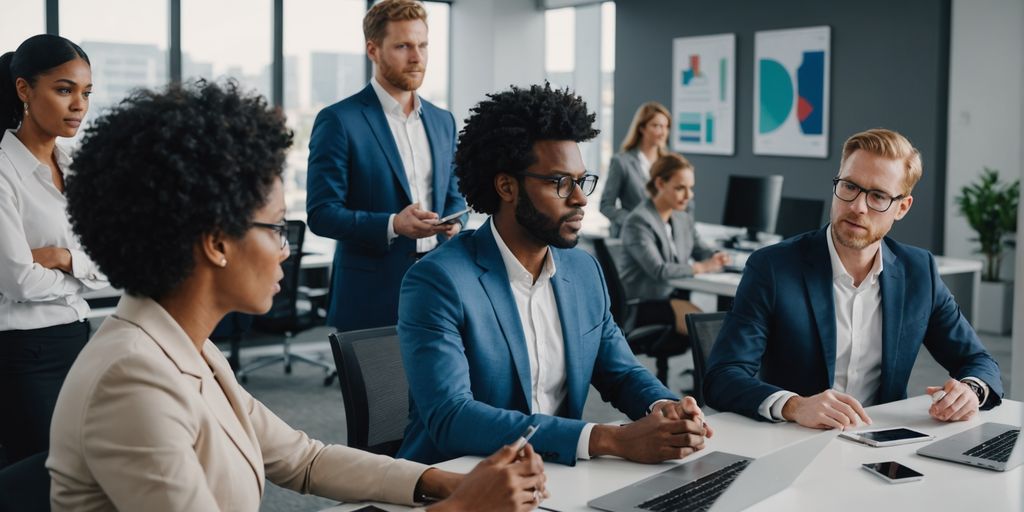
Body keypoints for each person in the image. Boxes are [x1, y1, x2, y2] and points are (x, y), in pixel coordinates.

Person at [48, 80, 547, 511]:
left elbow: (303, 458)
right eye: (277, 229)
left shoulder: (185, 346)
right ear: (218, 243)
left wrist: (446, 482)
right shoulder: (132, 379)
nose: (285, 251)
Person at [397, 83, 712, 467]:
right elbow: (453, 418)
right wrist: (607, 438)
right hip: (460, 483)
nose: (580, 198)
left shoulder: (583, 271)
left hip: (554, 479)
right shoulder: (439, 281)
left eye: (582, 180)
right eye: (560, 182)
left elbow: (621, 371)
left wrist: (665, 407)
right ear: (507, 186)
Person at [704, 128, 1003, 428]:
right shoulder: (773, 267)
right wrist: (794, 406)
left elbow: (978, 360)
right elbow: (722, 377)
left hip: (881, 441)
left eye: (878, 196)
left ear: (902, 207)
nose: (857, 206)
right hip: (794, 438)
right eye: (849, 187)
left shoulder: (918, 271)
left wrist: (971, 391)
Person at [306, 0, 467, 331]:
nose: (416, 57)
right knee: (380, 385)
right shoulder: (339, 120)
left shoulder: (443, 121)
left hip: (440, 288)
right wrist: (394, 224)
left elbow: (454, 197)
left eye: (422, 45)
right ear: (373, 50)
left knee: (440, 384)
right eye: (403, 46)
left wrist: (456, 222)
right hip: (371, 296)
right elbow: (322, 214)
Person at [0, 34, 106, 465]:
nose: (78, 104)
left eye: (85, 93)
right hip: (25, 354)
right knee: (41, 479)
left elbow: (117, 258)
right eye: (64, 90)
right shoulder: (4, 172)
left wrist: (64, 260)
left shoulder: (80, 166)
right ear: (24, 89)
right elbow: (19, 280)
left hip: (80, 340)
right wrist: (84, 274)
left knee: (86, 474)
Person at [619, 153, 730, 336]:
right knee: (709, 332)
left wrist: (716, 256)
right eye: (680, 188)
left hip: (672, 297)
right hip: (643, 305)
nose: (688, 195)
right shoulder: (638, 221)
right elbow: (659, 270)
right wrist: (702, 267)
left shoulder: (682, 217)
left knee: (721, 327)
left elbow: (700, 249)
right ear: (660, 184)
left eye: (690, 188)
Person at [600, 101, 670, 237]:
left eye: (666, 127)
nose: (663, 132)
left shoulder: (668, 164)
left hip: (663, 236)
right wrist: (633, 220)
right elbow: (606, 205)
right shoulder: (621, 162)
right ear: (642, 128)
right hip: (632, 236)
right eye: (656, 126)